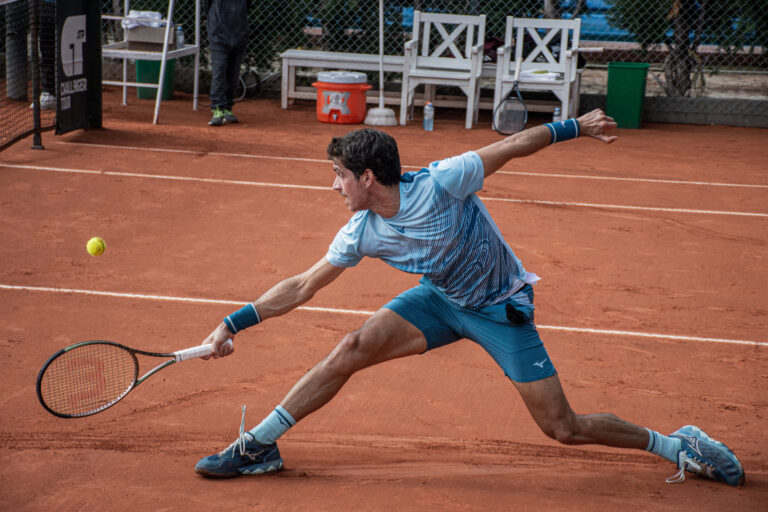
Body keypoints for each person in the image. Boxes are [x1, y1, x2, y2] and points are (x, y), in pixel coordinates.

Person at [194, 109, 745, 487]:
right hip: (438, 300)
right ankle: (259, 445)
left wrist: (577, 125)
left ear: (367, 177)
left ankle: (676, 445)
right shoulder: (361, 231)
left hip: (499, 309)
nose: (333, 186)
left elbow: (512, 145)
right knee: (350, 348)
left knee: (562, 428)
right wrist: (232, 323)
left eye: (338, 176)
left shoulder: (443, 182)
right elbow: (301, 285)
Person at [205, 0, 249, 126]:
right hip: (218, 34)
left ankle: (227, 108)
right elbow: (207, 5)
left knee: (233, 74)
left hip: (239, 34)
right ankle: (217, 109)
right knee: (219, 71)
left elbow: (247, 6)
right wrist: (216, 24)